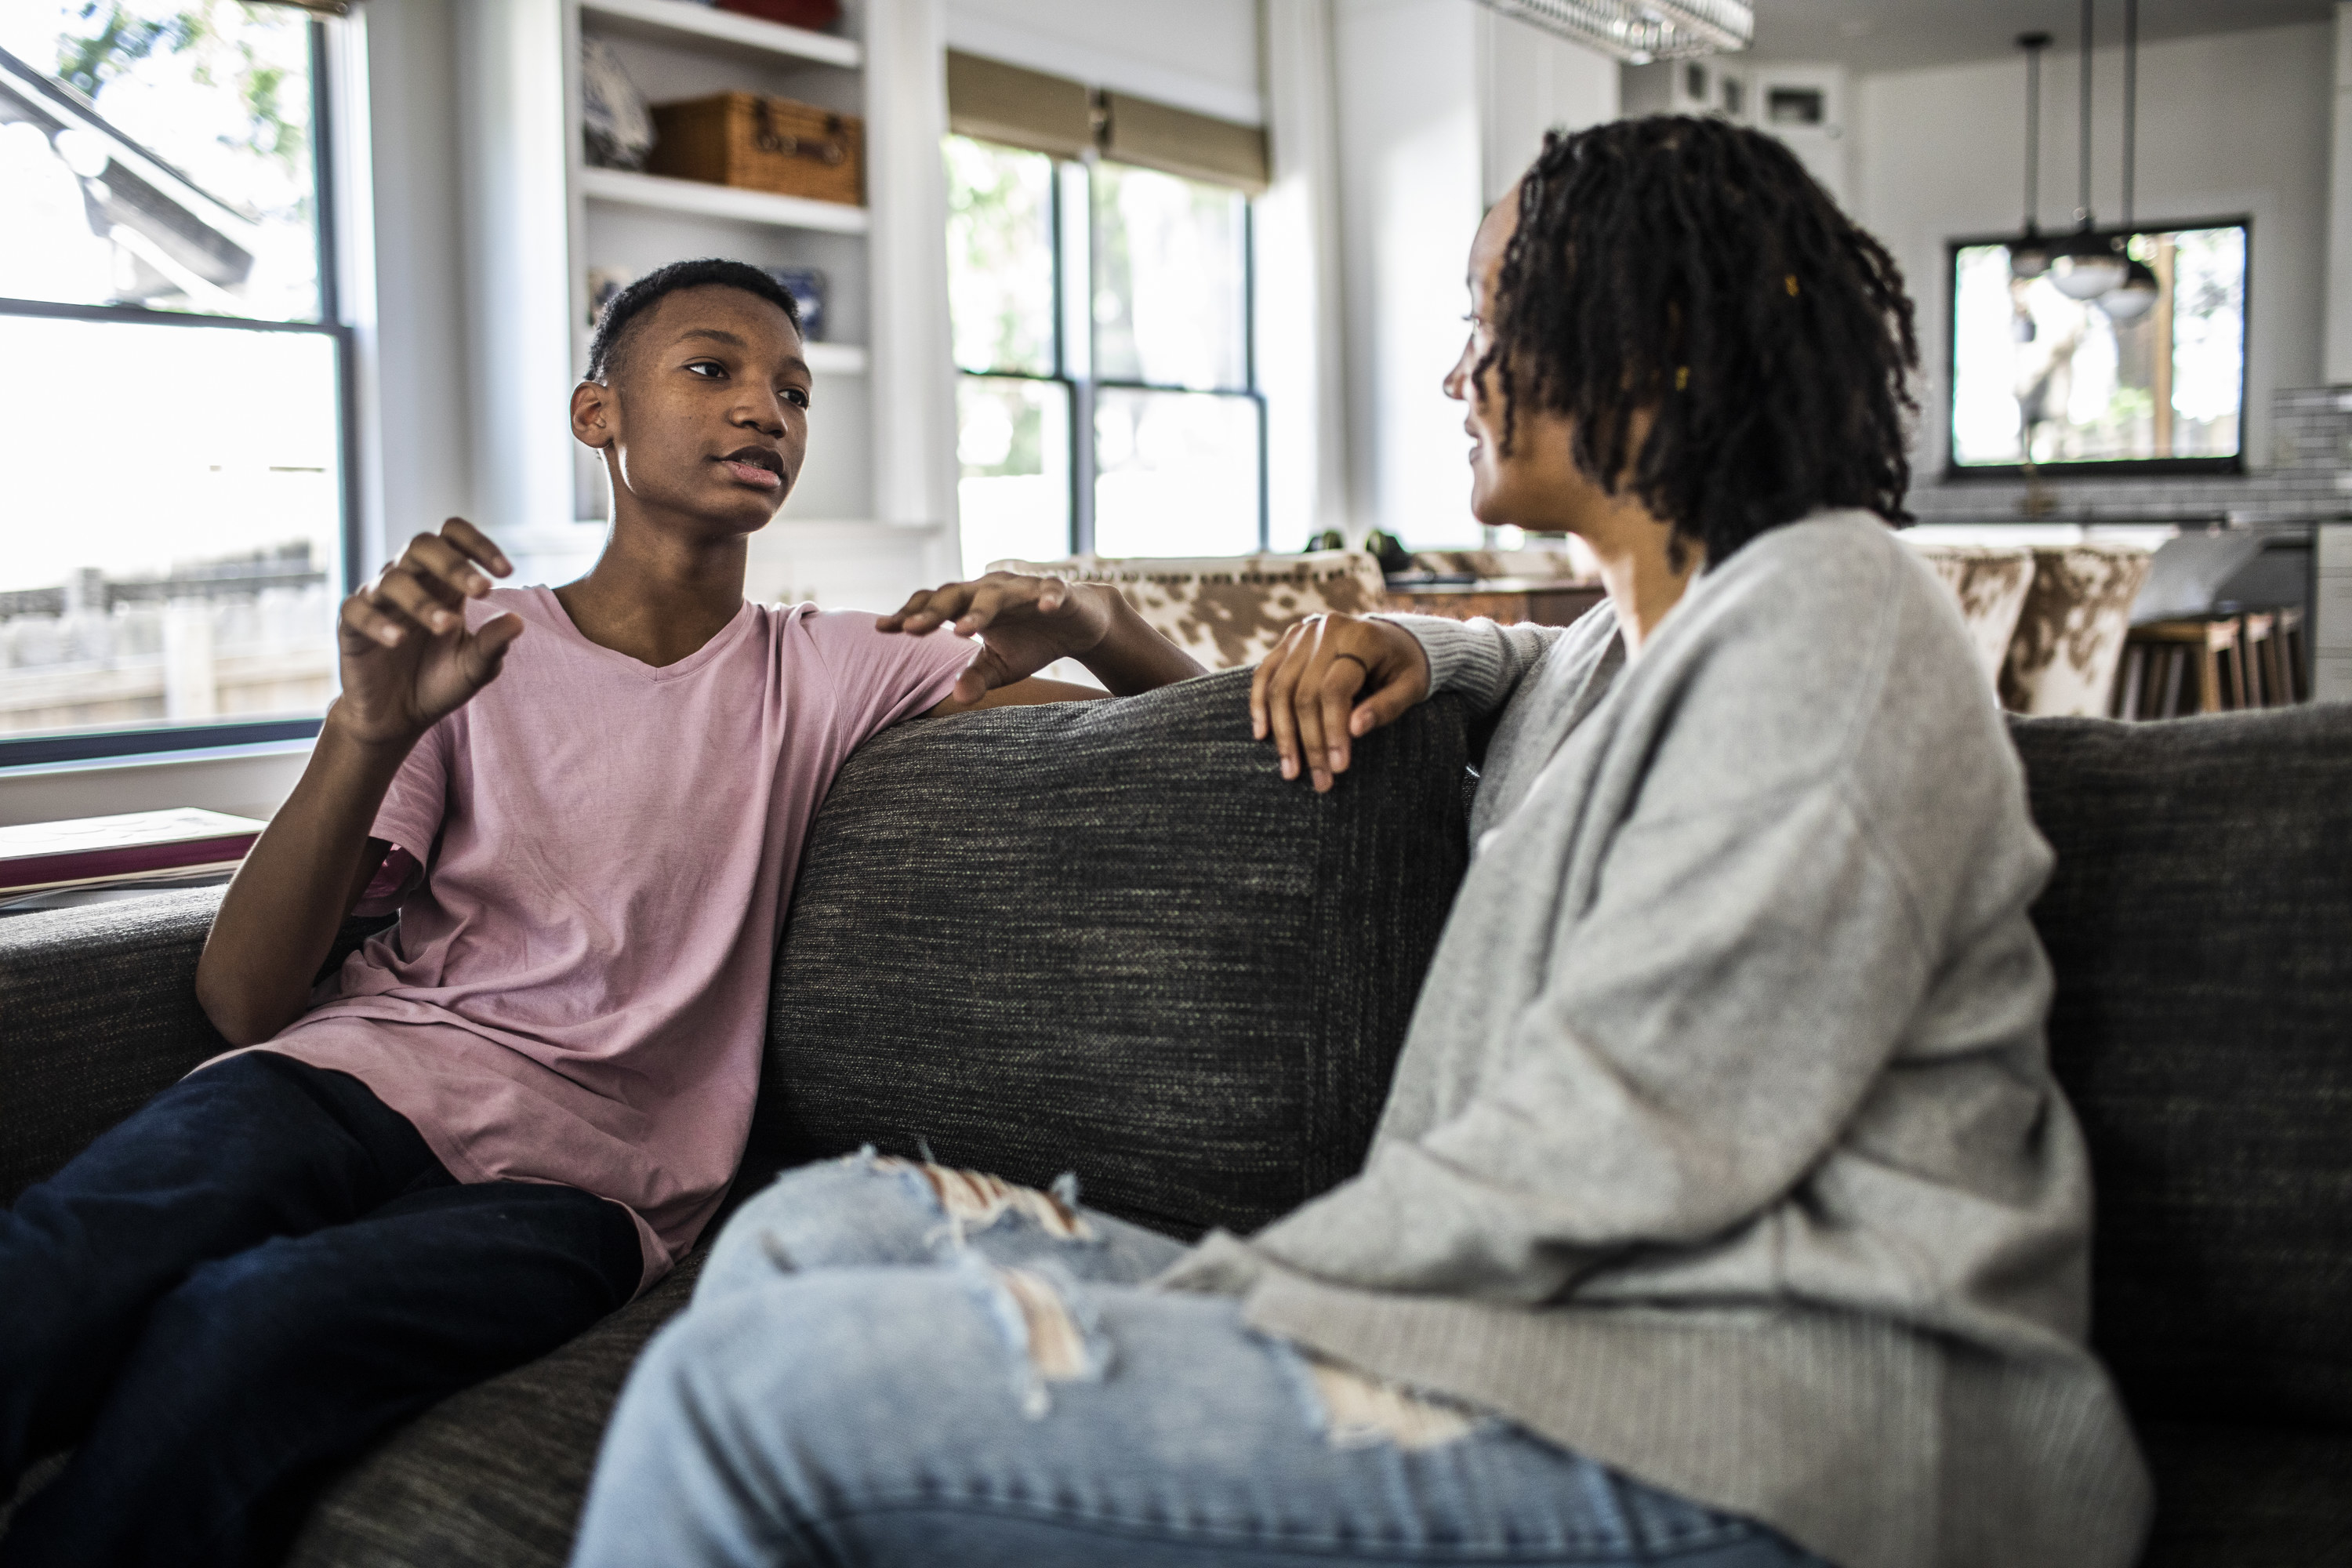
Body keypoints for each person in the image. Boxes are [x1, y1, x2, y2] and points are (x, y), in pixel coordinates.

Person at [568, 118, 2153, 1568]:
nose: (1460, 370)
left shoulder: (1832, 620)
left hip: (1775, 1430)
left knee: (749, 1394)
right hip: (1550, 1342)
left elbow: (1621, 1145)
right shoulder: (1638, 637)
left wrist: (1201, 1306)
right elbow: (1551, 676)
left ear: (1655, 332)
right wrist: (1423, 641)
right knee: (814, 1222)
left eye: (1489, 314)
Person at [0, 258, 1202, 1568]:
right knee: (57, 1267)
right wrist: (362, 729)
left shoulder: (835, 667)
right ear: (598, 418)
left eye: (793, 392)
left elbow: (1196, 751)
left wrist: (1099, 618)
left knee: (250, 1332)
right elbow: (245, 1001)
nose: (767, 411)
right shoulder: (471, 645)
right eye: (713, 370)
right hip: (349, 1074)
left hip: (592, 1177)